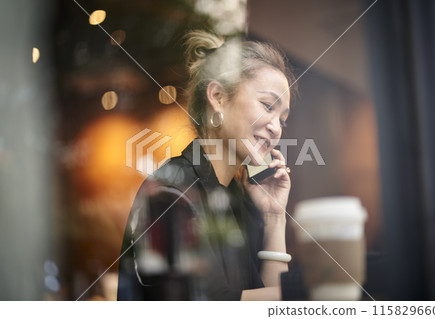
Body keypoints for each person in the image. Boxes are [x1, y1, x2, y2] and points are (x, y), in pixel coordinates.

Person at [117, 30, 299, 300]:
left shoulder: (241, 200)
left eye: (283, 119)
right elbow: (211, 304)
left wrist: (274, 217)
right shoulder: (172, 190)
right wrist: (311, 295)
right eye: (267, 105)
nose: (276, 128)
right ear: (218, 97)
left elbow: (266, 301)